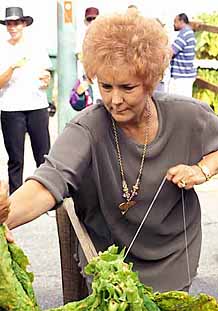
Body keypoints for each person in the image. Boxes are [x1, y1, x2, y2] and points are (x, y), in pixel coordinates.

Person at [1, 10, 218, 294]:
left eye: (128, 87)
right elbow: (47, 181)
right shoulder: (86, 128)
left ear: (150, 80)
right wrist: (6, 217)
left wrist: (201, 170)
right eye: (105, 86)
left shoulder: (188, 116)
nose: (115, 100)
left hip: (174, 256)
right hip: (108, 262)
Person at [0, 7, 51, 194]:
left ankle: (46, 198)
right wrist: (12, 67)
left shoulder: (36, 47)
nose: (12, 27)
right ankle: (15, 201)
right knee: (15, 159)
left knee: (44, 156)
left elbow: (46, 74)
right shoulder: (2, 49)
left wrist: (46, 80)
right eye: (9, 23)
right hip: (11, 109)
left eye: (16, 23)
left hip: (37, 106)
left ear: (24, 24)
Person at [169, 13, 197, 97]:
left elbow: (172, 51)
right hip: (184, 75)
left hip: (182, 76)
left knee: (178, 103)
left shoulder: (185, 33)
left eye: (175, 22)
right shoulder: (188, 32)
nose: (173, 24)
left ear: (181, 21)